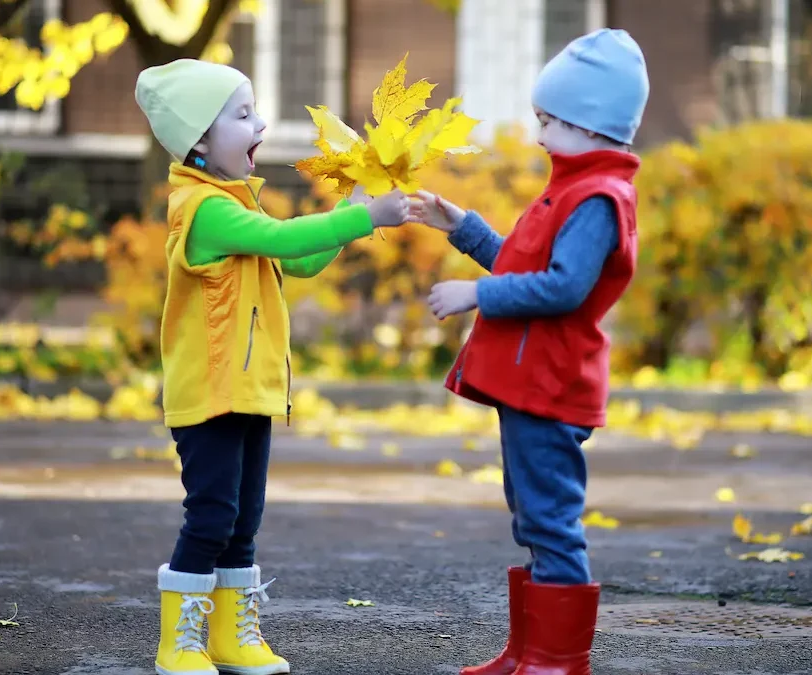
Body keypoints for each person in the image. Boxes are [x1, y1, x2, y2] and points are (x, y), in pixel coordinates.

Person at [134, 59, 410, 675]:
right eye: (243, 115)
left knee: (244, 520)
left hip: (251, 390)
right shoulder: (203, 209)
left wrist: (351, 218)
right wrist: (366, 216)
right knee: (212, 514)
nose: (260, 123)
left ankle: (232, 637)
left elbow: (301, 260)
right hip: (209, 393)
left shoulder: (239, 206)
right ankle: (178, 642)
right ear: (199, 140)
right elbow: (285, 239)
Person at [412, 28, 650, 675]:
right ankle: (530, 651)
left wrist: (477, 296)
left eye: (549, 122)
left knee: (551, 518)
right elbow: (519, 260)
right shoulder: (569, 187)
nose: (540, 135)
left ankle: (559, 660)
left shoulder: (598, 199)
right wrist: (459, 225)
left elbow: (563, 287)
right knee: (531, 515)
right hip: (529, 386)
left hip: (551, 385)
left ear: (591, 125)